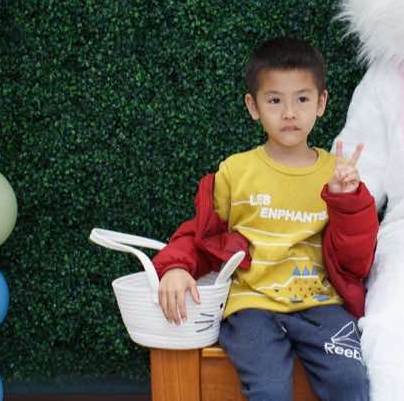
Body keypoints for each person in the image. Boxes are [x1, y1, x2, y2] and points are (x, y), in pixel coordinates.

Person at [151, 37, 376, 401]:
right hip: (252, 308)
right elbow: (203, 234)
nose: (289, 113)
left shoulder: (337, 174)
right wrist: (175, 267)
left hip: (322, 307)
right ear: (253, 106)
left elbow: (356, 258)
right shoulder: (235, 172)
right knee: (269, 390)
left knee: (351, 383)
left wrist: (347, 200)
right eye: (274, 100)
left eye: (302, 99)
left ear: (321, 103)